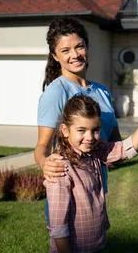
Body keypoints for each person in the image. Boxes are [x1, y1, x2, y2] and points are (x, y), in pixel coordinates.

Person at [45, 91, 138, 252]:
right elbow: (58, 227)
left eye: (95, 130)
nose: (90, 137)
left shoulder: (95, 151)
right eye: (81, 130)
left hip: (96, 245)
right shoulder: (60, 167)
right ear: (65, 130)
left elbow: (128, 148)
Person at [35, 17, 122, 222]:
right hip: (68, 193)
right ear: (55, 56)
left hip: (96, 189)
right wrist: (44, 162)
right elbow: (42, 145)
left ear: (86, 46)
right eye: (65, 50)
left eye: (79, 47)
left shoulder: (102, 90)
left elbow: (114, 142)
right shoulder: (56, 92)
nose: (74, 55)